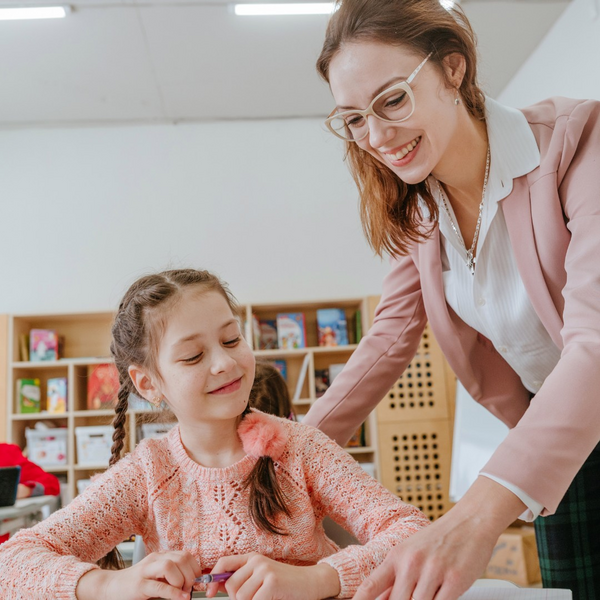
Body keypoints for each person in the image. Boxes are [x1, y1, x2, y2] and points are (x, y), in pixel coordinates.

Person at [303, 1, 600, 599]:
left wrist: (475, 517)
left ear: (453, 69)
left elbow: (594, 342)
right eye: (354, 119)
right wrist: (288, 456)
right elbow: (389, 338)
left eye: (392, 100)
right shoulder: (421, 214)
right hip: (557, 433)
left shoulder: (576, 145)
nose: (376, 137)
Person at [0, 269, 429, 600]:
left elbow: (412, 532)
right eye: (193, 356)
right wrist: (108, 584)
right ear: (148, 383)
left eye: (231, 339)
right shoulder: (148, 472)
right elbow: (12, 564)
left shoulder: (301, 448)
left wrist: (317, 579)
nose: (224, 363)